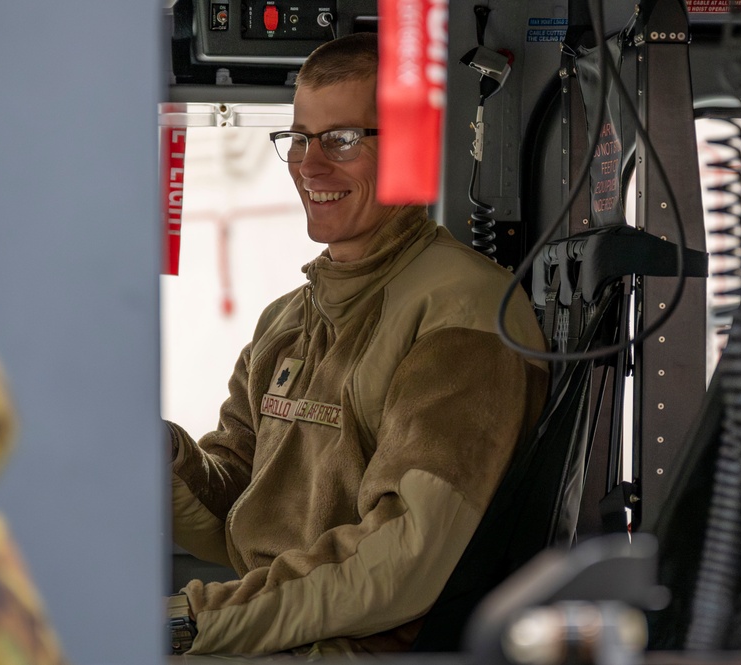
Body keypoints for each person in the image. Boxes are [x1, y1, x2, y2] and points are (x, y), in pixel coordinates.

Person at [166, 31, 548, 656]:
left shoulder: (464, 313)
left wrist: (193, 620)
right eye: (299, 139)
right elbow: (237, 509)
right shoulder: (286, 321)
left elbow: (400, 560)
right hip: (286, 631)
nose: (310, 166)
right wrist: (163, 459)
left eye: (343, 139)